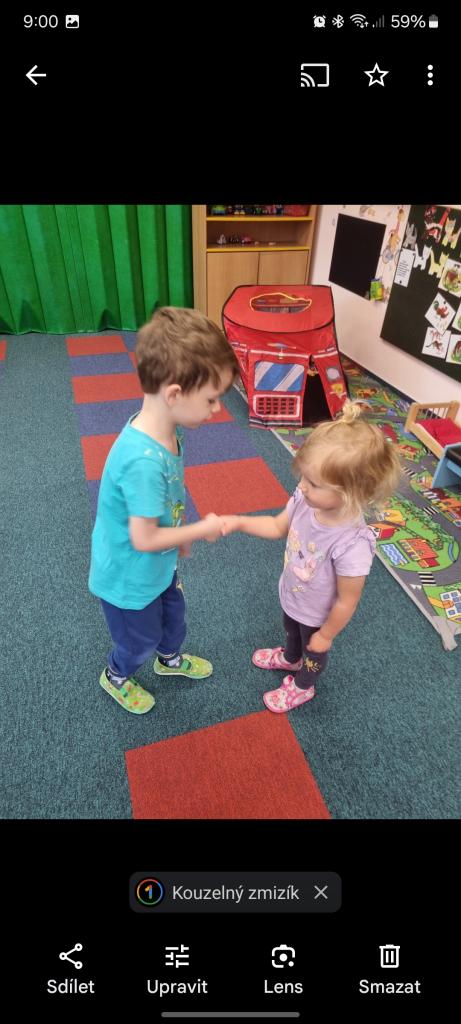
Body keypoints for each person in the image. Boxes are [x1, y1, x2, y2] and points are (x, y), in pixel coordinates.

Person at [89, 306, 239, 714]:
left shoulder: (166, 433)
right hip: (129, 577)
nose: (216, 410)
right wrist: (198, 530)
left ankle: (169, 659)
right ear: (174, 394)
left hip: (158, 564)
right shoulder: (142, 461)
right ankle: (116, 674)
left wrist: (179, 540)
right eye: (211, 399)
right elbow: (144, 538)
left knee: (174, 619)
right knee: (137, 641)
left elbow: (166, 502)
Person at [220, 401, 402, 712]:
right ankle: (291, 658)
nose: (302, 487)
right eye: (303, 477)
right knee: (290, 628)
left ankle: (303, 686)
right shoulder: (306, 501)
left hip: (318, 616)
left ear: (352, 492)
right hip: (294, 593)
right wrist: (239, 522)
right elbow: (277, 526)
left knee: (313, 649)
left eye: (313, 483)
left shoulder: (352, 543)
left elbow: (347, 600)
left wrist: (327, 634)